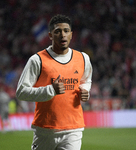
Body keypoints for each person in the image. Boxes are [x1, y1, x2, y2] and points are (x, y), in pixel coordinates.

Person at [16, 14, 92, 150]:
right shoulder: (37, 60)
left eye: (66, 31)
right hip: (45, 130)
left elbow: (86, 80)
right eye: (58, 31)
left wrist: (85, 90)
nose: (62, 35)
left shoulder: (83, 58)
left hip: (73, 129)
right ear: (50, 35)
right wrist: (50, 90)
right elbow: (21, 92)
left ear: (71, 34)